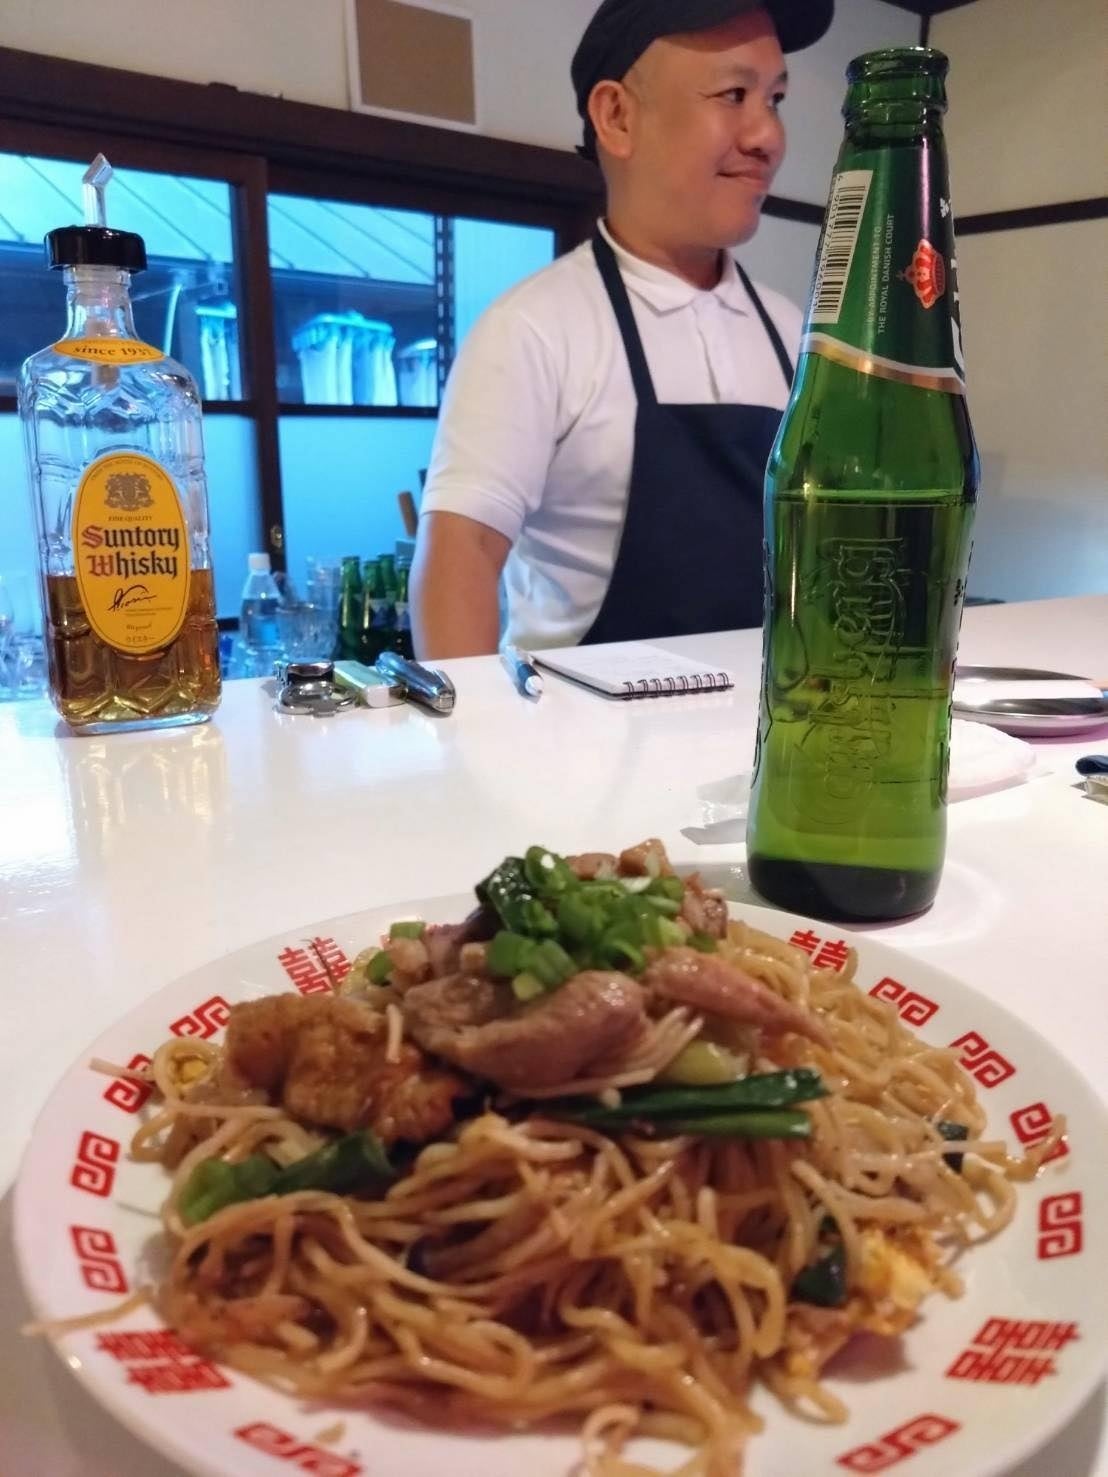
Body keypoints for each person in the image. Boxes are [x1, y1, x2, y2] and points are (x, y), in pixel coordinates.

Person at [412, 0, 834, 659]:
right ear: (617, 116)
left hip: (769, 721)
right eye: (734, 94)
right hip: (578, 725)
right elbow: (460, 555)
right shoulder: (533, 329)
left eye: (774, 99)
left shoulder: (796, 336)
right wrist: (473, 720)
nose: (768, 137)